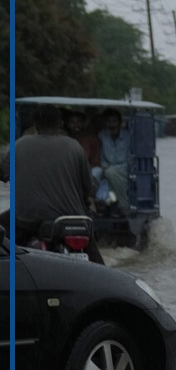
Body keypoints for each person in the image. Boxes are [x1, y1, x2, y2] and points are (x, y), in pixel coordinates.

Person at [5, 104, 104, 264]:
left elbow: (3, 174)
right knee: (98, 265)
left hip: (27, 220)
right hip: (72, 219)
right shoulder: (74, 147)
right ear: (61, 124)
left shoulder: (19, 145)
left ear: (35, 124)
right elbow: (88, 187)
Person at [98, 108, 132, 216]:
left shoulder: (128, 136)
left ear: (120, 123)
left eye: (114, 121)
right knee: (98, 174)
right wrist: (104, 167)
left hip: (125, 167)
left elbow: (130, 157)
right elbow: (102, 156)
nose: (111, 125)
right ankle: (99, 206)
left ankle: (124, 205)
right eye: (108, 122)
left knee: (110, 173)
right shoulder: (102, 136)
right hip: (107, 167)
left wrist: (109, 169)